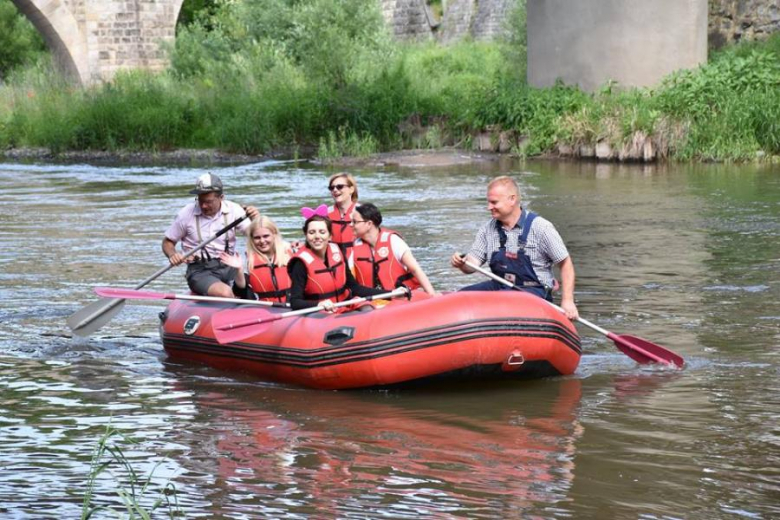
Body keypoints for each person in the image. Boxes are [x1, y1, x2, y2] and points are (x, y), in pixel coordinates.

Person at [450, 175, 579, 320]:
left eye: (494, 202)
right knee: (458, 299)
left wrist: (567, 301)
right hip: (499, 287)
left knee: (502, 303)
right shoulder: (487, 230)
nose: (489, 207)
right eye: (488, 202)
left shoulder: (541, 228)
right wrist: (463, 263)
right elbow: (473, 263)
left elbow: (565, 263)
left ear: (512, 199)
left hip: (533, 292)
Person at [162, 173, 259, 298]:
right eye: (200, 201)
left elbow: (255, 236)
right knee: (225, 293)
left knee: (256, 286)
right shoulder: (185, 214)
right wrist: (173, 255)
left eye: (208, 202)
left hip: (230, 266)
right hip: (200, 271)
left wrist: (256, 219)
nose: (203, 206)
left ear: (221, 198)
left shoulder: (235, 210)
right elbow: (168, 242)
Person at [287, 214, 393, 311]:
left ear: (329, 236)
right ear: (306, 235)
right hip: (320, 313)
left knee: (368, 309)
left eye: (322, 232)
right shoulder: (300, 264)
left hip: (344, 304)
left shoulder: (337, 253)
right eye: (311, 232)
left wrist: (391, 294)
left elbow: (354, 288)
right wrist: (319, 304)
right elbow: (295, 302)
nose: (317, 236)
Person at [349, 203, 437, 296]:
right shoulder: (354, 247)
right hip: (372, 300)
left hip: (401, 297)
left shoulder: (393, 241)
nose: (350, 225)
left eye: (355, 222)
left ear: (369, 224)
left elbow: (415, 269)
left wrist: (432, 294)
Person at [227, 216, 292, 303]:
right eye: (257, 238)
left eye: (266, 236)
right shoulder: (246, 259)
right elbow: (240, 290)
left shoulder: (290, 252)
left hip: (291, 307)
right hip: (263, 309)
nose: (262, 241)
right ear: (252, 239)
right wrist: (238, 270)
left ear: (274, 234)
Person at [326, 173, 359, 256]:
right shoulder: (325, 213)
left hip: (356, 258)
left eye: (340, 186)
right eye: (331, 188)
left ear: (351, 189)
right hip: (333, 258)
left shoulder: (363, 212)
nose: (335, 190)